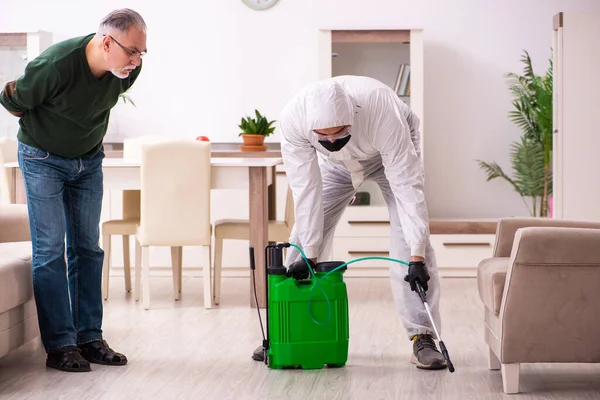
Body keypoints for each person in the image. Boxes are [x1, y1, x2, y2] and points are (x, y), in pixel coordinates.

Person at [0, 8, 147, 372]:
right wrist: (46, 129)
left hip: (88, 160)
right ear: (106, 42)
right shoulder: (56, 64)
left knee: (87, 249)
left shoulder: (127, 69)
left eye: (142, 52)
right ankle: (61, 345)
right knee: (50, 250)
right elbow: (12, 100)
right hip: (42, 159)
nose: (137, 60)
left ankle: (89, 338)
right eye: (132, 51)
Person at [277, 75, 446, 370]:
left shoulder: (379, 107)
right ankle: (286, 331)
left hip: (387, 156)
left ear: (352, 119)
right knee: (301, 242)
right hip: (335, 167)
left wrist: (417, 256)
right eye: (323, 136)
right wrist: (311, 254)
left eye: (339, 132)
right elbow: (305, 190)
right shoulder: (293, 119)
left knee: (409, 242)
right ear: (310, 127)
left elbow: (407, 186)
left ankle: (423, 337)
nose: (331, 140)